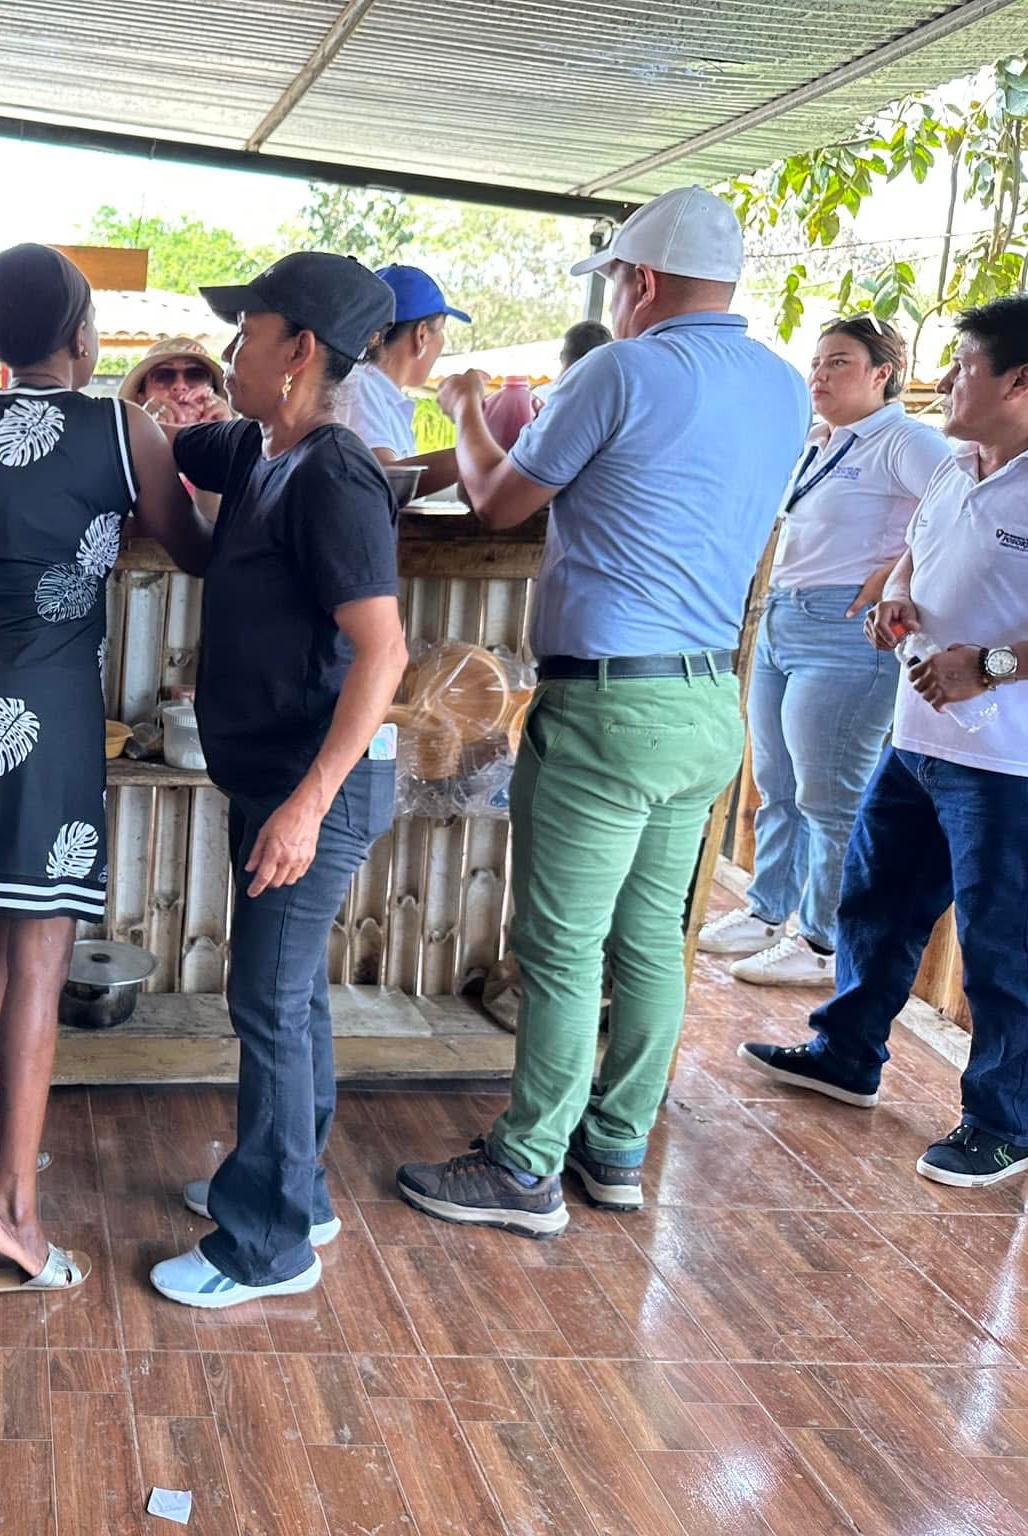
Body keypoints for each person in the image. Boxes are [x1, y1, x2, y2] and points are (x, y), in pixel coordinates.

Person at [398, 186, 809, 1235]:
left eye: (616, 281)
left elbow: (498, 503)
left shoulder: (620, 369)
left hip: (609, 706)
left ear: (641, 281)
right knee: (650, 940)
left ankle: (525, 1168)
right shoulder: (783, 385)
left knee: (562, 946)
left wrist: (463, 412)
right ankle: (616, 1148)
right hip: (707, 700)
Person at [0, 244, 215, 1294]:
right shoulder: (123, 429)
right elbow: (191, 548)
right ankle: (14, 1213)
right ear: (82, 337)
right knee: (40, 952)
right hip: (51, 711)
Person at [143, 253, 411, 1307]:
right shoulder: (260, 449)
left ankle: (266, 1247)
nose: (226, 355)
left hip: (318, 786)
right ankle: (295, 1193)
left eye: (245, 333)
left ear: (299, 349)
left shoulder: (334, 474)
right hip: (272, 775)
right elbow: (158, 437)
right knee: (288, 997)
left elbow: (382, 654)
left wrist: (305, 805)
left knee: (263, 1000)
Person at [741, 297, 1028, 1187]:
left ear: (1020, 382)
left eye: (965, 366)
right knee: (877, 903)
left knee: (1002, 943)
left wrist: (990, 664)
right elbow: (915, 549)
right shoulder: (957, 466)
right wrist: (896, 595)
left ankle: (1003, 1123)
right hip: (919, 739)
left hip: (1007, 761)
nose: (945, 379)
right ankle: (848, 1053)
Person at [700, 319, 950, 986]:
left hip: (847, 629)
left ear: (882, 373)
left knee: (830, 794)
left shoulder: (904, 439)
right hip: (784, 616)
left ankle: (823, 943)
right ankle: (767, 911)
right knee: (777, 782)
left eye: (839, 362)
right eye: (817, 362)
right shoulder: (817, 440)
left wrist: (894, 574)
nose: (820, 375)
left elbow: (963, 509)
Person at [339, 264, 471, 495]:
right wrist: (481, 449)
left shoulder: (378, 392)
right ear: (421, 335)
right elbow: (383, 480)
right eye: (440, 330)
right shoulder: (359, 387)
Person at [119, 337, 233, 518]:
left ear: (213, 391)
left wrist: (220, 444)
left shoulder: (247, 451)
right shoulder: (120, 456)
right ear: (141, 396)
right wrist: (146, 437)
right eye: (164, 376)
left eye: (195, 375)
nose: (180, 386)